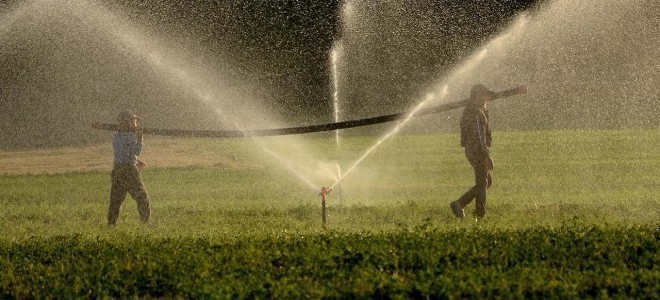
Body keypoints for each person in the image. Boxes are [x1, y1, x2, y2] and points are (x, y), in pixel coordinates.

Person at [450, 84, 526, 219]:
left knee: (485, 182)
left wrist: (515, 91)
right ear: (477, 97)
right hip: (477, 151)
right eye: (484, 95)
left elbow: (496, 95)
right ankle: (480, 214)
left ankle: (459, 203)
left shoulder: (474, 109)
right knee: (482, 182)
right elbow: (479, 137)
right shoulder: (476, 114)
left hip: (473, 150)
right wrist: (486, 155)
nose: (487, 98)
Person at [108, 109, 150, 226]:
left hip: (117, 169)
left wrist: (136, 161)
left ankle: (111, 224)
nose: (136, 123)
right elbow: (136, 151)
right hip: (129, 171)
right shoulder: (131, 136)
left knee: (116, 200)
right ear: (128, 122)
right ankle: (145, 223)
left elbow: (124, 153)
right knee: (142, 197)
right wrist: (140, 139)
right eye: (134, 120)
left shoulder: (116, 136)